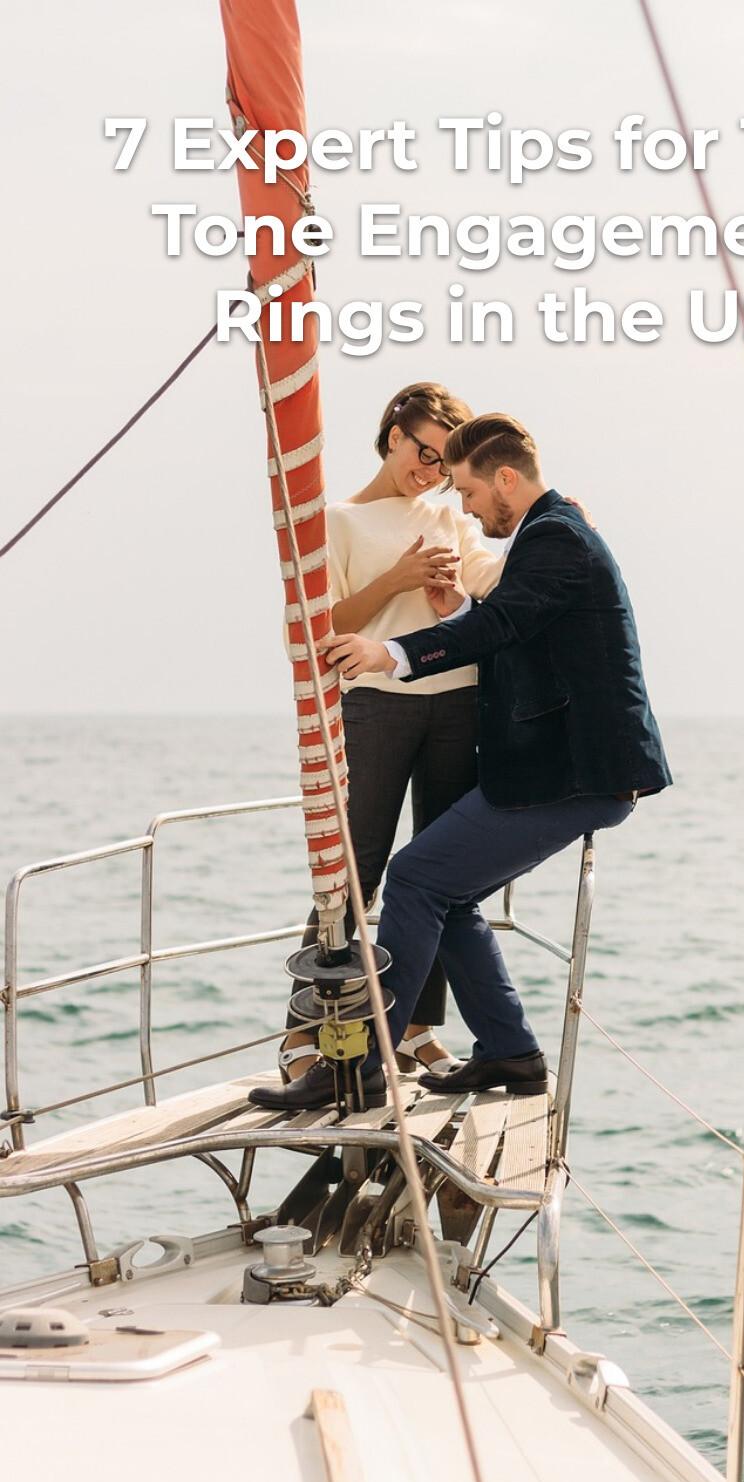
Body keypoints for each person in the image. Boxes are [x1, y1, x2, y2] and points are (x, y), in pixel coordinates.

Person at [254, 413, 670, 1111]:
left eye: (471, 493)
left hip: (570, 774)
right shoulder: (553, 533)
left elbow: (500, 624)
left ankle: (361, 1064)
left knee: (416, 877)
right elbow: (512, 622)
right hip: (560, 769)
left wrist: (395, 652)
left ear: (507, 478)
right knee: (448, 895)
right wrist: (448, 610)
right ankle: (509, 1052)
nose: (465, 507)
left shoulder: (556, 538)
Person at [256, 384, 504, 1101]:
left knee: (440, 872)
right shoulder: (336, 522)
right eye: (424, 453)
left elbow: (490, 578)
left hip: (458, 702)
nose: (430, 471)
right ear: (393, 435)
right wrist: (395, 579)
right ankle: (303, 1034)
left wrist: (552, 531)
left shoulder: (450, 515)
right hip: (377, 707)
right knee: (354, 869)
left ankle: (421, 1028)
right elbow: (312, 624)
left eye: (443, 460)